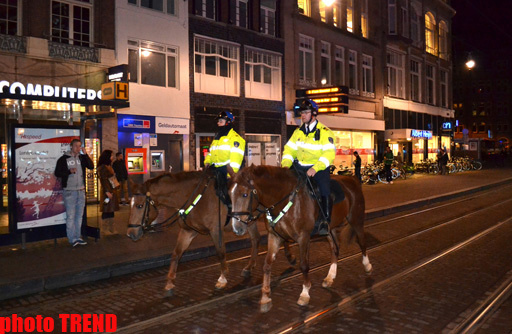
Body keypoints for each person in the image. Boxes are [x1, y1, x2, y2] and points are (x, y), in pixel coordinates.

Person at [282, 99, 335, 236]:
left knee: (324, 189)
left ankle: (325, 220)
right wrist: (285, 166)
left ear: (314, 114)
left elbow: (329, 154)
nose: (303, 115)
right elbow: (289, 150)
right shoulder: (297, 132)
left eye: (306, 112)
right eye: (302, 113)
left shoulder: (325, 132)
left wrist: (316, 168)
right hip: (300, 167)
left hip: (318, 168)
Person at [55, 138, 94, 247]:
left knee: (79, 216)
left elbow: (91, 166)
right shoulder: (64, 159)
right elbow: (57, 173)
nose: (78, 148)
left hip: (81, 191)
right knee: (71, 216)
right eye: (76, 146)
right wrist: (69, 171)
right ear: (71, 146)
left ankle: (78, 237)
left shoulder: (81, 158)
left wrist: (85, 155)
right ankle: (72, 238)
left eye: (80, 146)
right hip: (70, 191)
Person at [204, 111, 246, 209]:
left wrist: (230, 175)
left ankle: (231, 211)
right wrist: (207, 162)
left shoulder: (236, 139)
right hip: (215, 170)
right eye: (218, 121)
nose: (218, 123)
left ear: (228, 122)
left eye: (221, 121)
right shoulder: (217, 138)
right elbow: (211, 152)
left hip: (227, 172)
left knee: (226, 195)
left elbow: (236, 160)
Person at [97, 149, 120, 234]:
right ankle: (105, 228)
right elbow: (103, 180)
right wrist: (107, 192)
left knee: (111, 209)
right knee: (106, 209)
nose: (112, 157)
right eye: (111, 155)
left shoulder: (108, 166)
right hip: (107, 191)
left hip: (111, 190)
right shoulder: (103, 167)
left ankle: (111, 227)